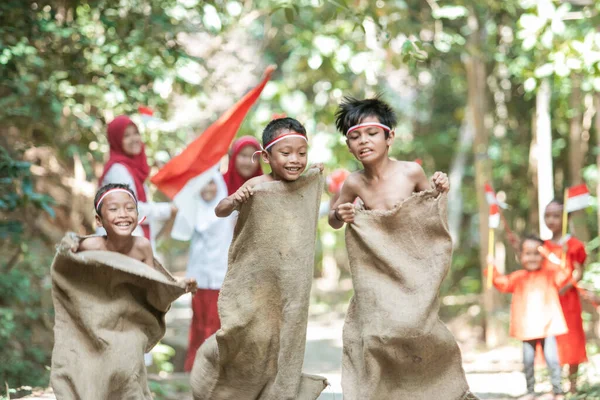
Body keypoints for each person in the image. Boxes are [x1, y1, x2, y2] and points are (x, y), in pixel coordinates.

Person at [328, 97, 449, 226]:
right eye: (355, 137)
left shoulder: (411, 172)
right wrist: (338, 216)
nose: (363, 141)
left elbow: (431, 210)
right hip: (376, 246)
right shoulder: (354, 182)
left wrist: (439, 188)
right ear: (349, 146)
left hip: (412, 244)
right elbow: (334, 221)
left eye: (372, 133)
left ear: (389, 137)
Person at [488, 235, 571, 400]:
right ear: (521, 256)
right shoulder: (519, 277)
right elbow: (502, 283)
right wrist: (492, 268)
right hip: (527, 327)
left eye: (537, 253)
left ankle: (558, 390)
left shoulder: (550, 274)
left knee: (553, 360)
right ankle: (531, 390)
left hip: (548, 326)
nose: (532, 258)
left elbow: (565, 273)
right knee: (527, 361)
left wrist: (550, 254)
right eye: (528, 253)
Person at [77, 183, 197, 293]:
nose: (123, 215)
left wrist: (179, 286)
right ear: (99, 220)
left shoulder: (142, 246)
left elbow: (152, 285)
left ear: (138, 215)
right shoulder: (90, 247)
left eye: (129, 208)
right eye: (113, 209)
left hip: (133, 314)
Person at [216, 117, 322, 217]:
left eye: (302, 153)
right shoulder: (257, 184)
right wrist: (234, 200)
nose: (295, 160)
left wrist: (313, 174)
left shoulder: (303, 183)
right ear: (266, 156)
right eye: (286, 153)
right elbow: (219, 211)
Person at [99, 115, 176, 248]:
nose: (134, 139)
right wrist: (168, 209)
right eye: (126, 135)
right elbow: (130, 208)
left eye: (136, 133)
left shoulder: (132, 169)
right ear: (116, 140)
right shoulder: (118, 170)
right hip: (121, 247)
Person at [182, 171, 234, 372]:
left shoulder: (229, 212)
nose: (208, 189)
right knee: (199, 323)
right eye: (202, 184)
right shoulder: (192, 211)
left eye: (212, 183)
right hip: (198, 279)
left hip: (220, 278)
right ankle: (195, 369)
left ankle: (215, 370)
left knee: (216, 326)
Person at [543, 199, 587, 393]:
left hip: (568, 300)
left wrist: (565, 287)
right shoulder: (542, 246)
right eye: (547, 215)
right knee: (553, 341)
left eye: (555, 215)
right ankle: (556, 384)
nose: (551, 220)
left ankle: (574, 384)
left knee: (572, 338)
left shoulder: (574, 245)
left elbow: (578, 271)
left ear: (565, 218)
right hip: (549, 302)